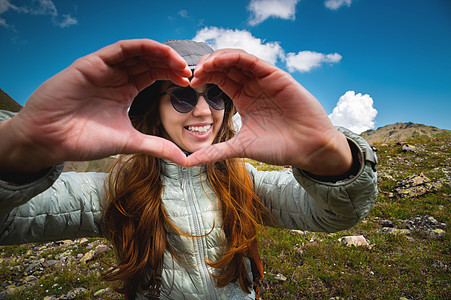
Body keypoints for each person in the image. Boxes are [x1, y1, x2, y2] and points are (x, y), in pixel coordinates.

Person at [0, 39, 378, 300]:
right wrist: (19, 151)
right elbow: (10, 223)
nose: (203, 111)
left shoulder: (246, 182)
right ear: (155, 108)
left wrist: (329, 155)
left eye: (215, 94)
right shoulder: (111, 190)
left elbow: (335, 214)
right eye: (182, 96)